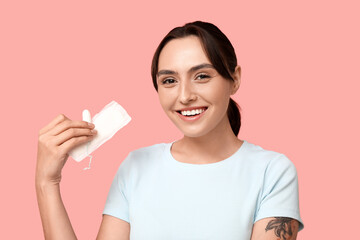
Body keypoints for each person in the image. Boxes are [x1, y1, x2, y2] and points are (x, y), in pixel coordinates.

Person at [36, 21, 304, 240]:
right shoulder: (135, 166)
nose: (185, 96)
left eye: (202, 76)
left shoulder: (273, 172)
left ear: (234, 80)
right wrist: (47, 182)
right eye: (169, 81)